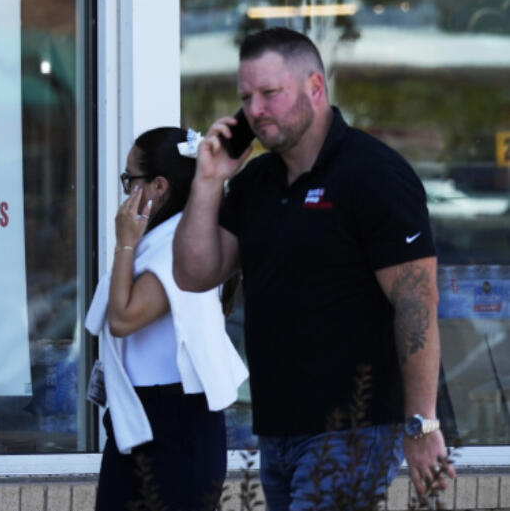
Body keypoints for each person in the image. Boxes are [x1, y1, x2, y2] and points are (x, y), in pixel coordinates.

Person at [173, 26, 455, 510]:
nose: (255, 110)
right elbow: (195, 273)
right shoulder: (256, 182)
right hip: (278, 431)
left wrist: (422, 422)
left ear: (315, 88)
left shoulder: (373, 174)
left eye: (270, 93)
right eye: (246, 97)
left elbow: (416, 304)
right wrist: (208, 181)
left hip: (352, 431)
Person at [85, 127, 248, 511]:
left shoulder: (179, 244)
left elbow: (123, 319)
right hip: (144, 416)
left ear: (158, 186)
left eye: (130, 180)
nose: (126, 190)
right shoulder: (165, 236)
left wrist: (124, 241)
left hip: (173, 422)